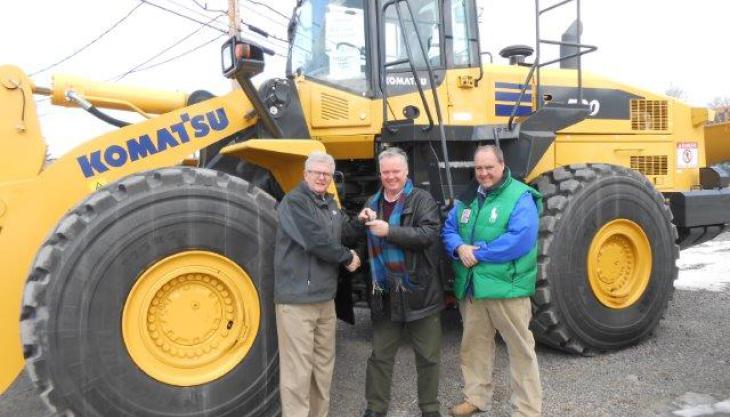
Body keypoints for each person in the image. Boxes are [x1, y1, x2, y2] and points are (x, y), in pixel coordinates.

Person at [442, 145, 543, 417]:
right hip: (473, 288)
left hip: (507, 289)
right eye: (478, 168)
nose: (484, 173)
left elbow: (520, 239)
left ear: (502, 164)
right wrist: (459, 248)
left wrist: (478, 253)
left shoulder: (520, 196)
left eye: (489, 167)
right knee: (474, 346)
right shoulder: (468, 196)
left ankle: (526, 409)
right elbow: (450, 228)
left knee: (521, 350)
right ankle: (475, 398)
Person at [355, 147, 444, 417]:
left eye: (396, 171)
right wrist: (361, 222)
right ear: (380, 174)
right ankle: (375, 408)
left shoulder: (422, 199)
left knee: (428, 357)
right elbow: (365, 242)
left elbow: (429, 235)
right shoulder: (373, 202)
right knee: (380, 356)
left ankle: (429, 409)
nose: (391, 177)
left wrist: (390, 231)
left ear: (406, 172)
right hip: (384, 290)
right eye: (386, 172)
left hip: (419, 289)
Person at [274, 150, 361, 417]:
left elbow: (344, 233)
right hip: (297, 301)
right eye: (316, 172)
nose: (322, 177)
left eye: (327, 174)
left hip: (325, 300)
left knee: (323, 368)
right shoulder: (294, 202)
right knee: (298, 372)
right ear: (306, 174)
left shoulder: (330, 205)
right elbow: (314, 240)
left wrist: (362, 221)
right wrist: (347, 257)